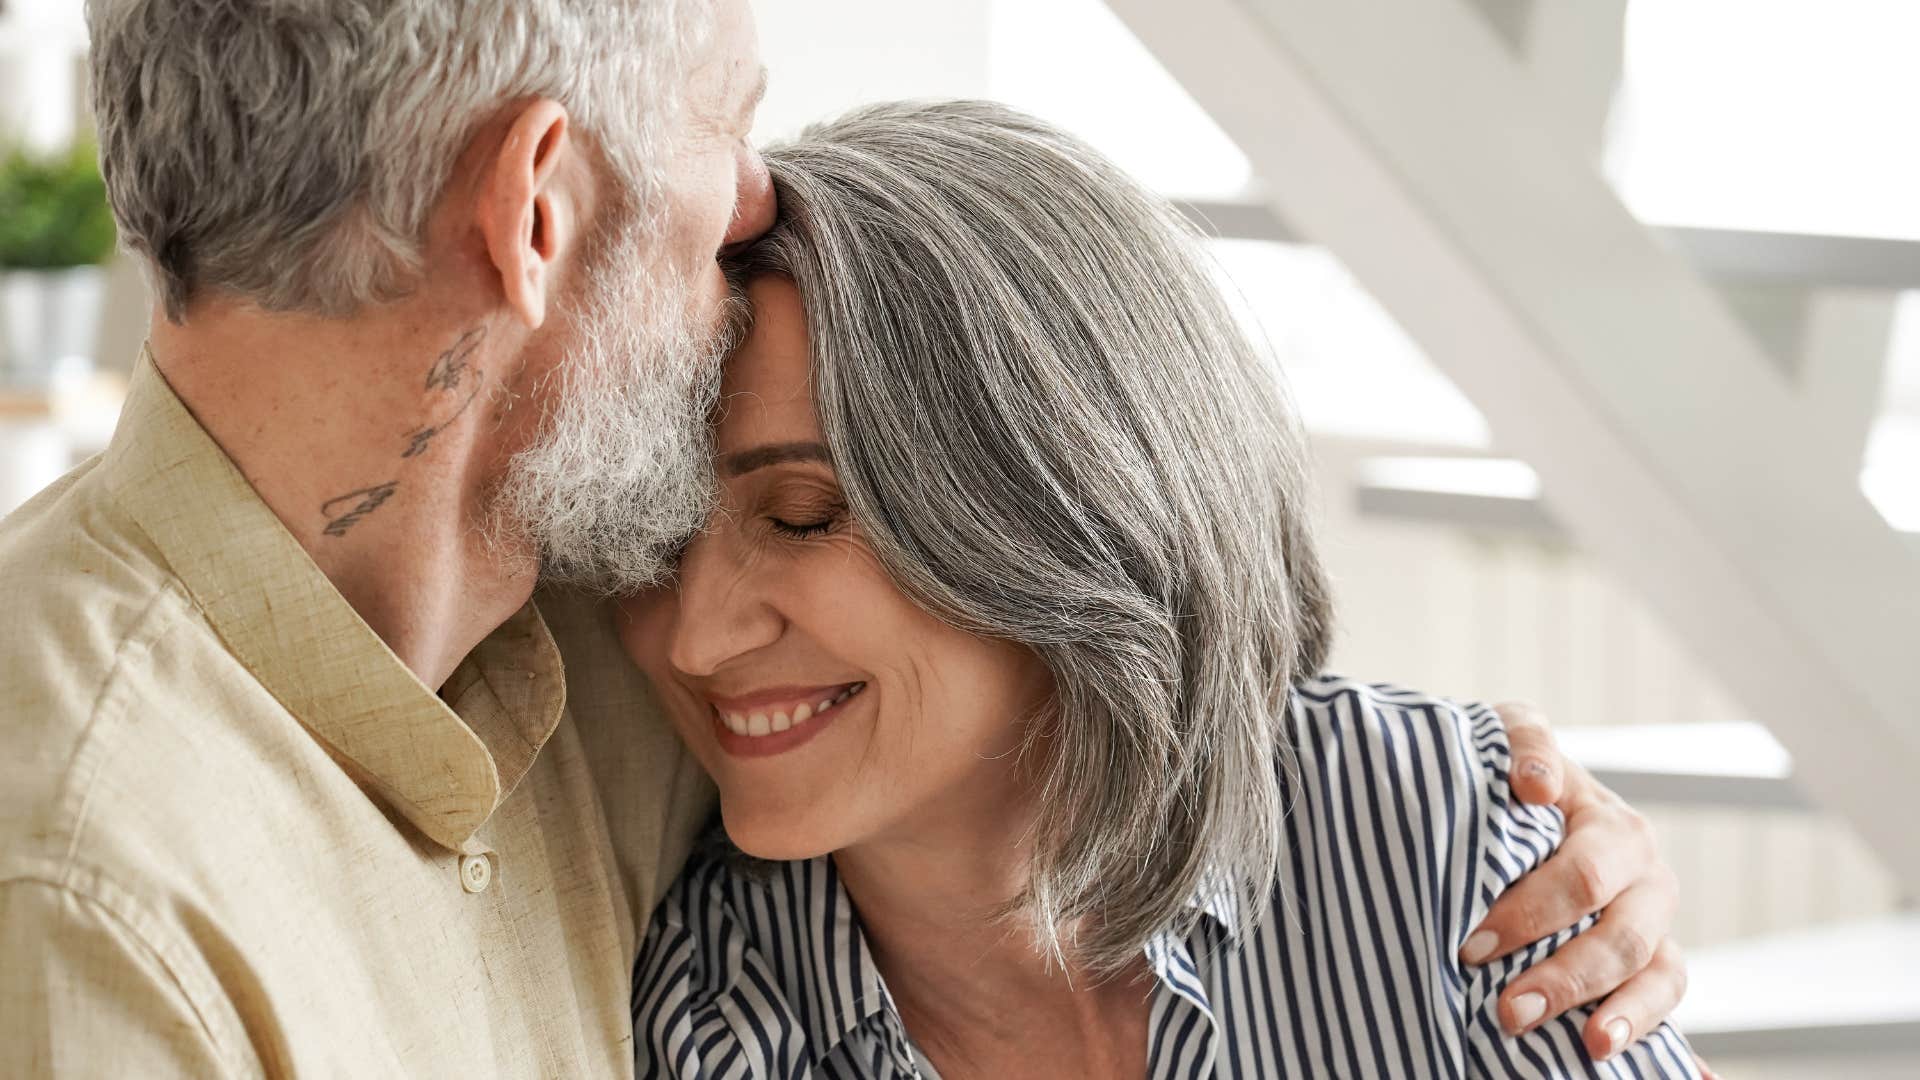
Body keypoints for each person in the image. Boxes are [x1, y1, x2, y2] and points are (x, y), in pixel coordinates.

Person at [0, 2, 1685, 1076]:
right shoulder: (91, 900)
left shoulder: (554, 576)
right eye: (726, 121)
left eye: (797, 519)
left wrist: (1510, 828)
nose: (752, 199)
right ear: (533, 214)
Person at [622, 101, 1700, 1078]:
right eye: (655, 539)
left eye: (803, 518)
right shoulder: (716, 1025)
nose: (697, 639)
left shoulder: (1432, 832)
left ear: (1061, 502)